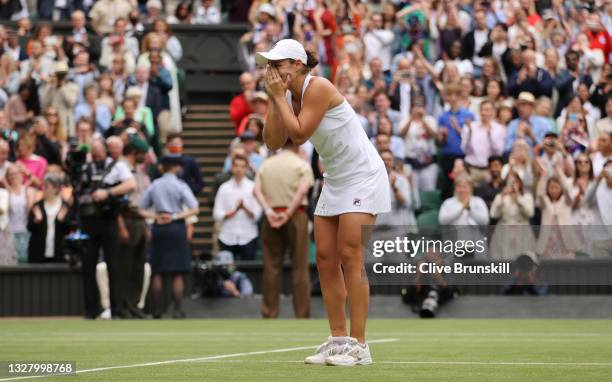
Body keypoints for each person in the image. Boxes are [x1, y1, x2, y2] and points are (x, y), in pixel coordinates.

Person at [257, 39, 391, 366]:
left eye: (279, 63)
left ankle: (360, 347)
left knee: (349, 255)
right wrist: (276, 101)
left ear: (299, 64)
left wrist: (278, 98)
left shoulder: (319, 87)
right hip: (335, 180)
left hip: (363, 175)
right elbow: (274, 141)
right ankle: (338, 339)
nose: (273, 70)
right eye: (270, 64)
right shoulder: (288, 96)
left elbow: (299, 134)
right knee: (327, 259)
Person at [254, 139, 313, 319]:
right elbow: (303, 190)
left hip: (271, 216)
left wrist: (269, 211)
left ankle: (269, 312)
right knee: (300, 267)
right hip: (296, 216)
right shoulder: (302, 165)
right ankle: (302, 313)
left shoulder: (267, 164)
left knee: (271, 266)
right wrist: (287, 214)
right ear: (297, 146)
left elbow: (256, 190)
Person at [79, 138, 136, 319]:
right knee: (88, 266)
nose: (96, 154)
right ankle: (91, 310)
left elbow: (131, 184)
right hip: (89, 220)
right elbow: (77, 190)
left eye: (99, 150)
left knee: (113, 265)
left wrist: (108, 192)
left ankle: (116, 309)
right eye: (93, 150)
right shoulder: (85, 168)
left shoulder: (117, 166)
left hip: (109, 219)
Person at [140, 155, 199, 318]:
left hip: (159, 227)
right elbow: (194, 208)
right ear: (176, 168)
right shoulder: (180, 185)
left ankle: (157, 310)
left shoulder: (155, 185)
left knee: (157, 271)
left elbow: (141, 208)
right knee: (177, 273)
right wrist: (174, 216)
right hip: (176, 227)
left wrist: (156, 216)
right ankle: (177, 310)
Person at [117, 135, 150, 318]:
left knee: (138, 266)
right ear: (134, 153)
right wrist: (121, 226)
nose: (145, 157)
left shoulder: (139, 172)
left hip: (140, 220)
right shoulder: (120, 170)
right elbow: (118, 204)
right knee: (126, 265)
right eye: (143, 154)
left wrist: (146, 227)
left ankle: (134, 305)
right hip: (127, 218)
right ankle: (122, 305)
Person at [213, 155, 262, 261]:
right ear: (231, 167)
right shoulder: (224, 188)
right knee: (227, 272)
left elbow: (258, 213)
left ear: (246, 168)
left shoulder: (253, 187)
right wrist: (230, 213)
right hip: (227, 235)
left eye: (242, 166)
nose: (239, 169)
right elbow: (216, 213)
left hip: (248, 235)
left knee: (249, 270)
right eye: (236, 166)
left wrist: (244, 208)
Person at [489, 171, 537, 260]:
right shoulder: (500, 197)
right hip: (503, 231)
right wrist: (502, 197)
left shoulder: (526, 196)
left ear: (520, 183)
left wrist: (518, 198)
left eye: (515, 181)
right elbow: (493, 214)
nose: (512, 184)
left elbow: (530, 213)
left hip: (522, 231)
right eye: (510, 182)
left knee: (523, 260)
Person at [460, 100, 506, 187]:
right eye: (482, 110)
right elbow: (464, 150)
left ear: (494, 112)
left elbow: (499, 152)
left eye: (487, 110)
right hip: (471, 169)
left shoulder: (500, 129)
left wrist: (490, 136)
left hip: (489, 171)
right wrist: (469, 135)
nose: (484, 113)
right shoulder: (470, 127)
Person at [27, 173, 70, 263]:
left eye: (46, 186)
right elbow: (29, 227)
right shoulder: (37, 206)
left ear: (55, 189)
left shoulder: (65, 207)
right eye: (43, 185)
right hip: (38, 253)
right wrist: (36, 221)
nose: (43, 188)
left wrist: (62, 221)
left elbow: (69, 229)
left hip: (59, 253)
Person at [5, 164, 36, 263]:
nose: (13, 176)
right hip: (10, 232)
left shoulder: (28, 190)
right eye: (10, 174)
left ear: (21, 174)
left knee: (24, 260)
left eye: (16, 173)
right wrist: (6, 186)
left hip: (25, 231)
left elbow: (30, 210)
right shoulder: (4, 193)